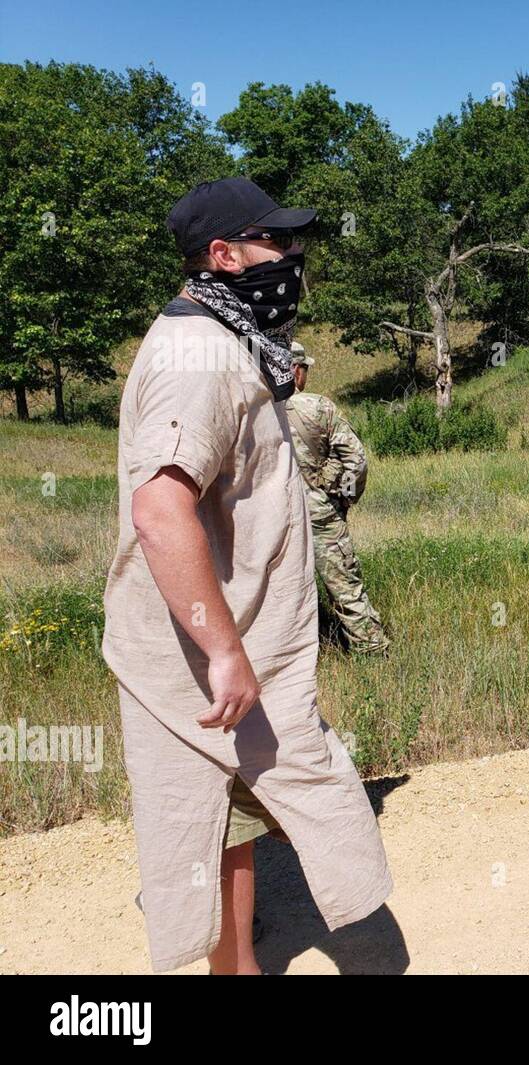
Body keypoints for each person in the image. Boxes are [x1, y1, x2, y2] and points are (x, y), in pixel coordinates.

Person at [103, 176, 393, 974]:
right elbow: (161, 511)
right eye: (277, 242)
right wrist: (225, 650)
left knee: (234, 816)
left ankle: (237, 959)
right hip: (203, 656)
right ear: (224, 254)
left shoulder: (228, 337)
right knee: (210, 817)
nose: (293, 256)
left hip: (234, 638)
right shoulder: (196, 355)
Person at [283, 343, 390, 654]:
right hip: (319, 513)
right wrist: (343, 498)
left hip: (269, 517)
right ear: (295, 370)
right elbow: (356, 461)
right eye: (305, 369)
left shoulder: (252, 408)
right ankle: (370, 651)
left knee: (277, 594)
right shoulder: (318, 408)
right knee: (345, 588)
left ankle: (288, 659)